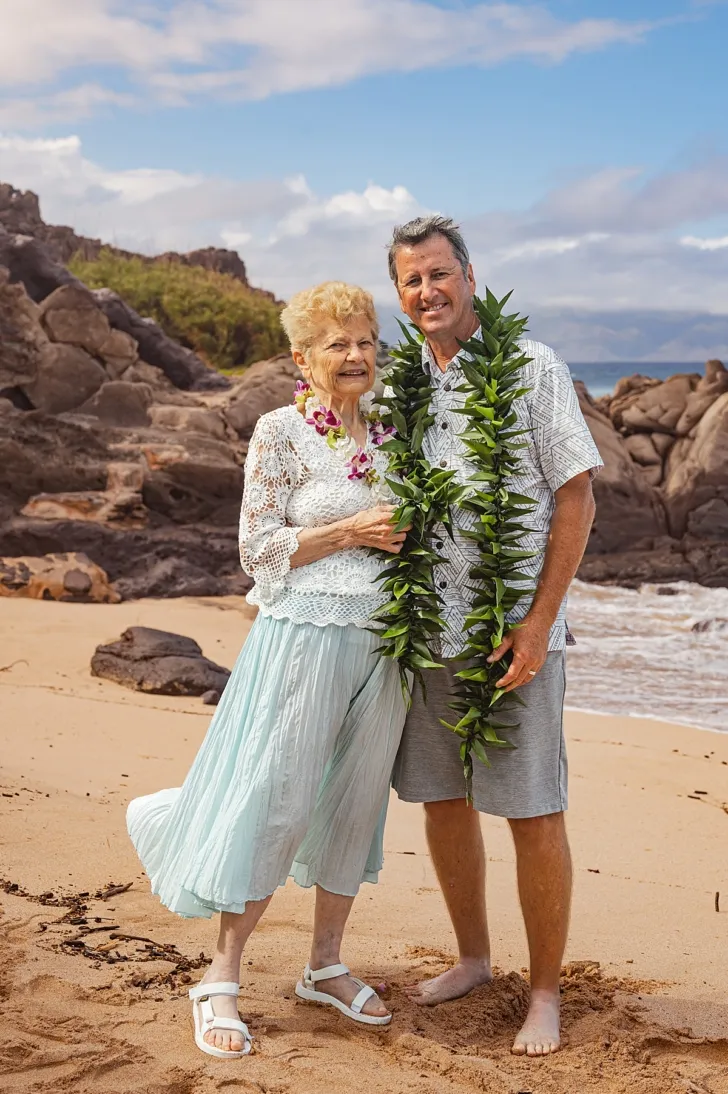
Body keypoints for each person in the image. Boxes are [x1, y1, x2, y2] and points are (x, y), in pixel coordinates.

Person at [127, 281, 409, 1059]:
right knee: (275, 799)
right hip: (302, 638)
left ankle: (324, 964)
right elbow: (258, 551)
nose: (355, 357)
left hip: (384, 645)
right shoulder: (280, 431)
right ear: (302, 357)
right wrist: (352, 528)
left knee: (356, 804)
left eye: (365, 342)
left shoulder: (394, 429)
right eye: (337, 344)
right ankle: (220, 976)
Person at [387, 216, 603, 1057]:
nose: (429, 291)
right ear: (400, 296)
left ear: (470, 277)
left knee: (531, 808)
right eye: (412, 281)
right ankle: (474, 958)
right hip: (428, 628)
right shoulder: (403, 379)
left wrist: (539, 623)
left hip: (513, 633)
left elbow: (577, 496)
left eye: (440, 274)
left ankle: (544, 991)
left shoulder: (532, 367)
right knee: (443, 801)